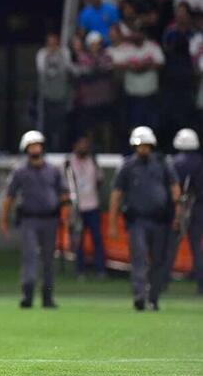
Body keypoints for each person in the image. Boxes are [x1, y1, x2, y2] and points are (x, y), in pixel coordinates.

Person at [108, 126, 181, 311]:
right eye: (140, 146)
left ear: (152, 145)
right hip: (137, 221)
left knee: (158, 261)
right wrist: (112, 222)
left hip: (160, 220)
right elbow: (116, 194)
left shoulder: (163, 164)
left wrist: (178, 212)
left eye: (146, 146)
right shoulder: (127, 166)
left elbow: (174, 188)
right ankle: (139, 295)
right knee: (139, 258)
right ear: (134, 146)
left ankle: (154, 297)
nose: (143, 149)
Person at [0, 130, 68, 309]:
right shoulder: (20, 171)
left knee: (48, 259)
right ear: (26, 149)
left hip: (50, 220)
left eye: (37, 145)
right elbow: (9, 197)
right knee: (30, 257)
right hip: (29, 220)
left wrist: (67, 215)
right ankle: (27, 294)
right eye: (31, 146)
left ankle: (48, 296)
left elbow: (63, 195)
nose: (35, 149)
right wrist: (3, 219)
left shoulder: (53, 170)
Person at [169, 129, 203, 295]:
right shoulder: (201, 162)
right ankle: (201, 284)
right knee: (196, 248)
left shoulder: (174, 162)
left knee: (171, 247)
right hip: (199, 208)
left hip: (181, 207)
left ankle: (161, 282)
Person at [67, 135, 106, 277]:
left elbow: (100, 180)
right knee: (79, 240)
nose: (83, 147)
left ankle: (100, 269)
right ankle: (79, 270)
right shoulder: (68, 162)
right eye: (80, 144)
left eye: (85, 144)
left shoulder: (93, 161)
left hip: (92, 206)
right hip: (77, 208)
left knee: (97, 238)